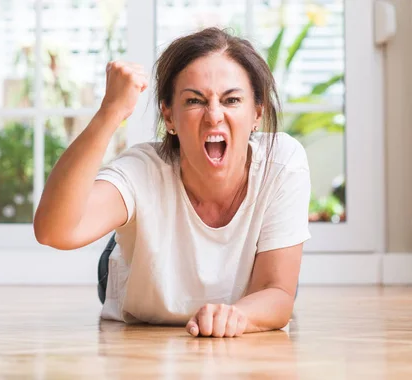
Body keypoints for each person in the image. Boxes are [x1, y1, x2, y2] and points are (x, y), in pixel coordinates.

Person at [34, 27, 311, 338]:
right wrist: (110, 112)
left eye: (231, 99)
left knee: (278, 286)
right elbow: (52, 231)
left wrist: (238, 315)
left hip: (246, 279)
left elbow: (276, 292)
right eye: (195, 101)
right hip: (147, 276)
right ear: (169, 117)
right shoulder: (142, 169)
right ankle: (126, 244)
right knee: (122, 251)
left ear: (257, 113)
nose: (214, 115)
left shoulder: (283, 162)